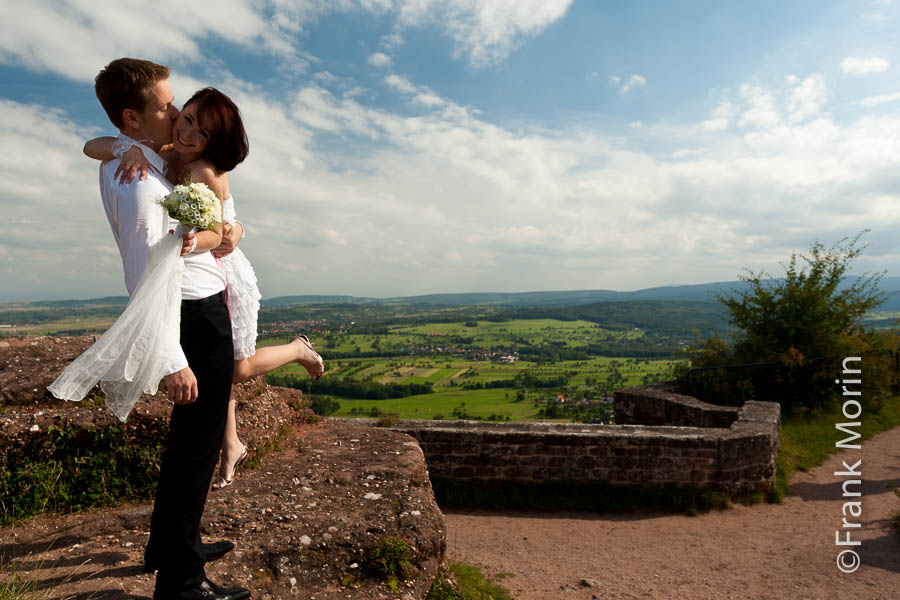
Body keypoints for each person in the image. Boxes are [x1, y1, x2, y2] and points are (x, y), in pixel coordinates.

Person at [85, 87, 324, 491]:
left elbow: (219, 232)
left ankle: (298, 349)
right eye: (189, 118)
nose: (190, 132)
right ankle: (231, 444)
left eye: (205, 132)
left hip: (224, 273)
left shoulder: (205, 171)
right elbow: (92, 145)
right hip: (197, 271)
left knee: (234, 368)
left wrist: (212, 238)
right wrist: (128, 151)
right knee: (217, 374)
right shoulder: (166, 148)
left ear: (216, 143)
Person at [86, 58, 250, 600]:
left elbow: (97, 145)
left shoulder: (144, 159)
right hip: (191, 318)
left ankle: (173, 545)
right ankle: (181, 582)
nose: (176, 112)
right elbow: (142, 272)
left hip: (198, 307)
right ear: (132, 118)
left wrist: (120, 146)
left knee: (189, 444)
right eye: (165, 105)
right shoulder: (136, 182)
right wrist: (171, 356)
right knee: (195, 449)